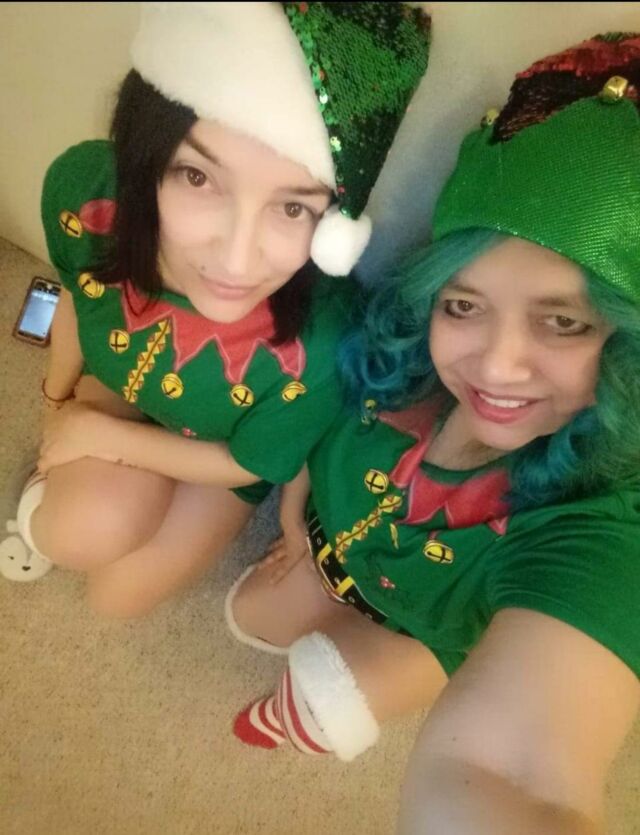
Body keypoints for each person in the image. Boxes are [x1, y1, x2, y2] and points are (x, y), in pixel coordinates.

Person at [227, 33, 640, 833]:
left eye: (562, 320)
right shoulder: (400, 356)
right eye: (464, 303)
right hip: (330, 546)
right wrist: (293, 511)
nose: (497, 365)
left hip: (424, 626)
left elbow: (513, 778)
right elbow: (320, 427)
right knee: (250, 617)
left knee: (318, 701)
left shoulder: (597, 525)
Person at [0, 2, 431, 616]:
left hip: (224, 449)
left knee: (114, 602)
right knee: (78, 531)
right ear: (148, 158)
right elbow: (76, 291)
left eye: (292, 207)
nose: (235, 259)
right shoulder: (89, 195)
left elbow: (245, 462)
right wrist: (56, 405)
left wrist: (101, 436)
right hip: (124, 380)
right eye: (198, 178)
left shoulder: (323, 340)